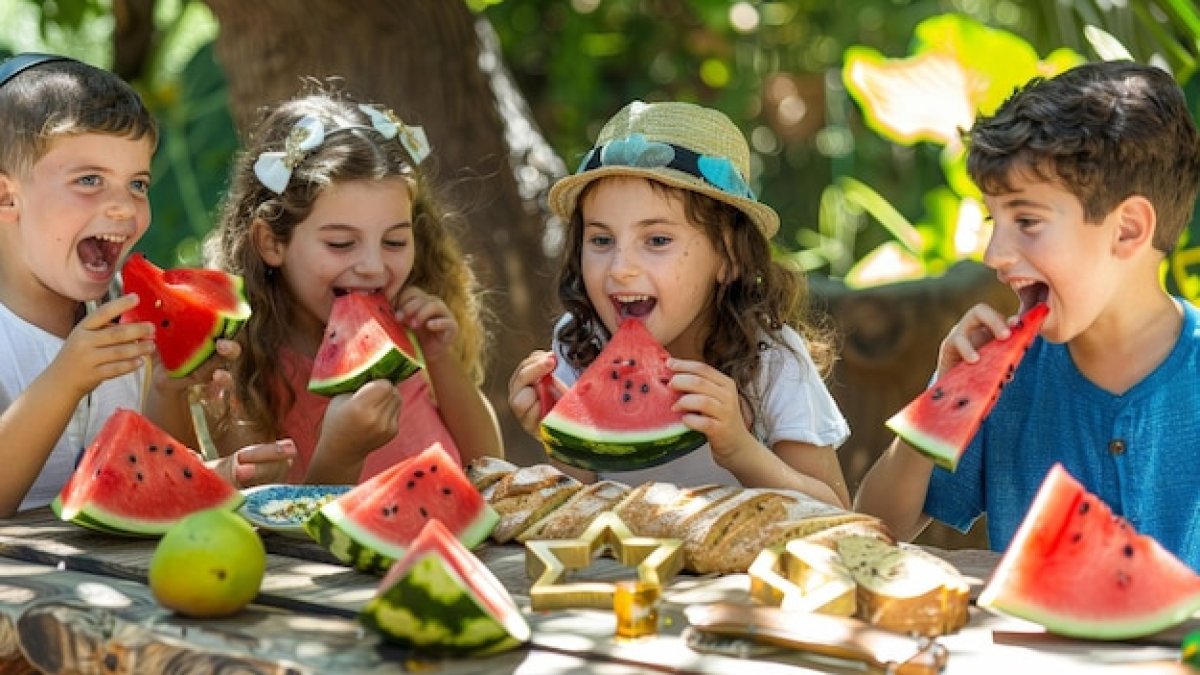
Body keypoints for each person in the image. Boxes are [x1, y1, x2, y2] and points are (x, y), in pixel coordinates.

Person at [854, 61, 1200, 568]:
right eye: (994, 220)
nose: (994, 254)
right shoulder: (1010, 378)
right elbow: (876, 527)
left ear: (1126, 230)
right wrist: (940, 402)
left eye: (1027, 221)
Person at [507, 100, 851, 507]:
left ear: (729, 258)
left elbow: (836, 510)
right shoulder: (577, 341)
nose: (620, 268)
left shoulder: (774, 360)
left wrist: (741, 450)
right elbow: (579, 497)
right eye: (601, 240)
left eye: (656, 240)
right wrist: (560, 439)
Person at [0, 53, 288, 517]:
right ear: (7, 197)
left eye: (137, 184)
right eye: (90, 180)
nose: (123, 208)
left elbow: (153, 477)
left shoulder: (129, 310)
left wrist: (174, 399)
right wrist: (63, 381)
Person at [205, 84, 503, 485]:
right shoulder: (239, 372)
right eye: (341, 243)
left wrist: (440, 356)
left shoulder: (409, 336)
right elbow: (275, 524)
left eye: (395, 241)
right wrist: (340, 453)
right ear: (271, 242)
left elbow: (488, 463)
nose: (373, 265)